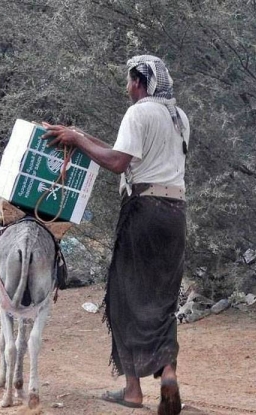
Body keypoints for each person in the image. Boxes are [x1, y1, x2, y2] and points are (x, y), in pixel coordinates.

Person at [43, 55, 189, 415]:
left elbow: (117, 163)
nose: (126, 88)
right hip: (175, 215)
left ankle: (133, 391)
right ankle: (167, 372)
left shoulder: (138, 113)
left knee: (124, 298)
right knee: (161, 299)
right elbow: (125, 151)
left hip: (143, 212)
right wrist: (76, 136)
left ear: (140, 82)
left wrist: (77, 141)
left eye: (129, 81)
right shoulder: (179, 116)